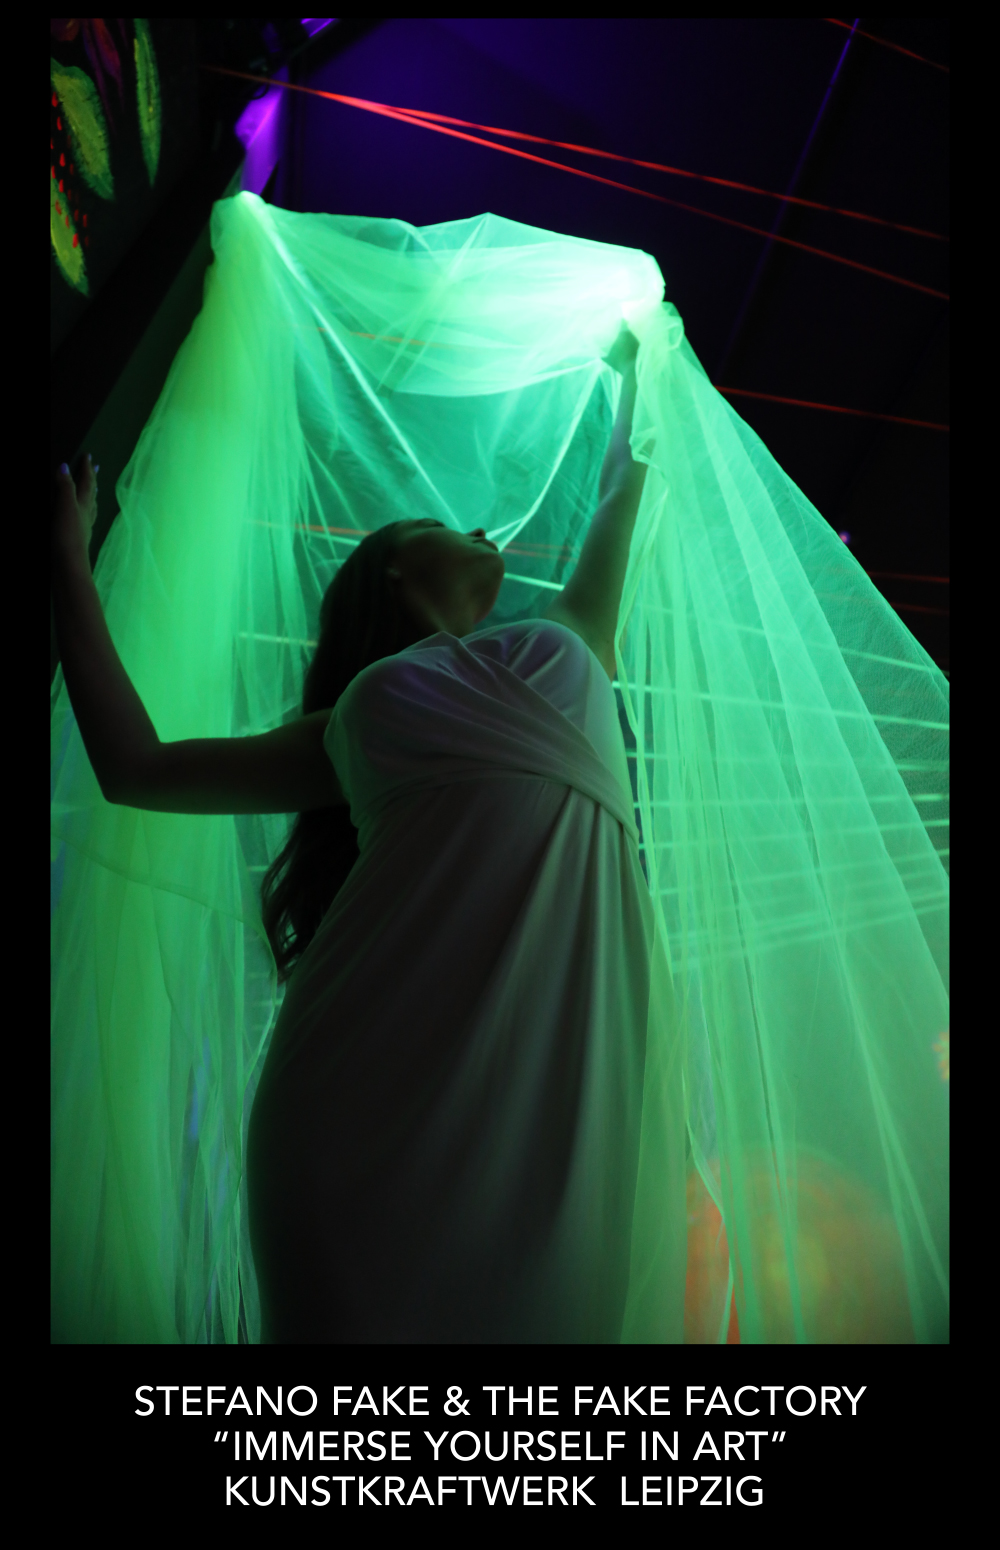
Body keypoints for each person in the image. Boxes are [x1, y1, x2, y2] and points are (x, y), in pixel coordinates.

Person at [50, 325, 684, 1343]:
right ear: (389, 569)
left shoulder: (573, 634)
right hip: (358, 1096)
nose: (477, 524)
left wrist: (639, 364)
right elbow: (138, 768)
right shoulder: (357, 715)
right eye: (436, 519)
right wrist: (68, 567)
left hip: (553, 1094)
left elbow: (624, 482)